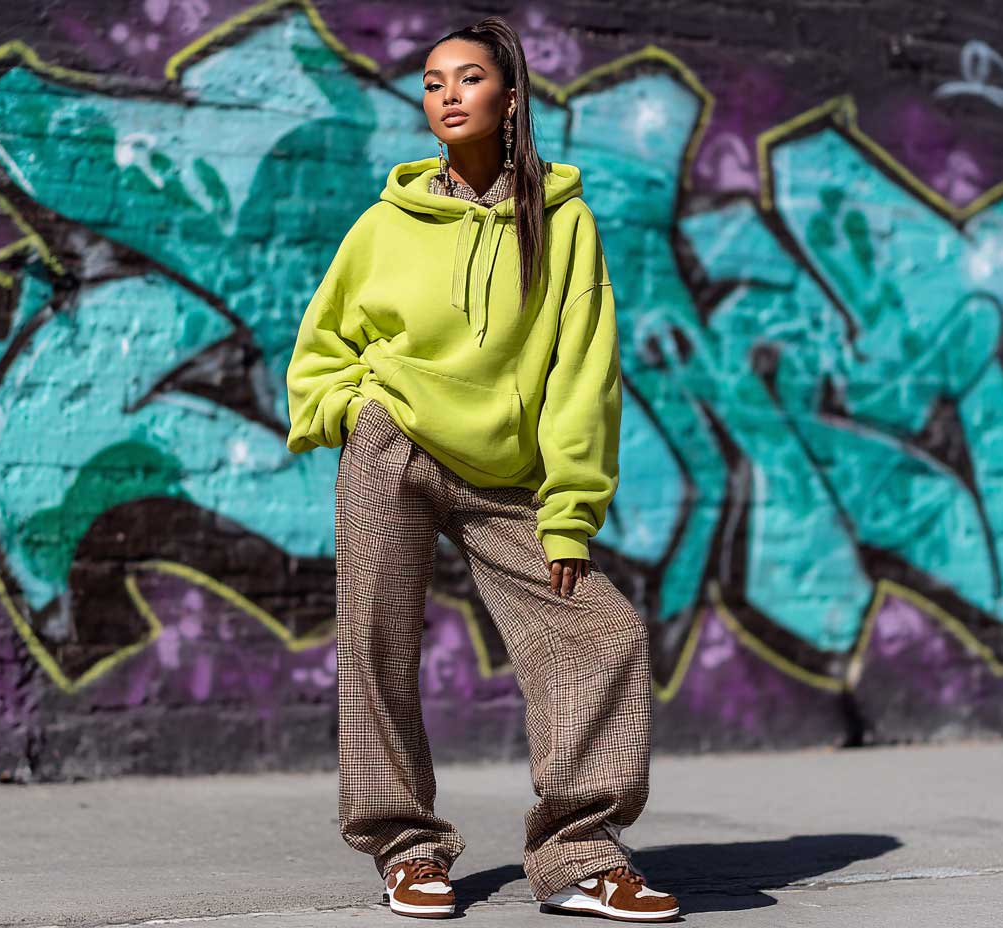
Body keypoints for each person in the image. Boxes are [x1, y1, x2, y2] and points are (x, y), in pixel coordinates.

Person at [285, 15, 679, 923]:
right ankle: (405, 849)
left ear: (509, 99)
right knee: (376, 646)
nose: (446, 95)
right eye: (431, 82)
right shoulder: (386, 222)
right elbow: (322, 342)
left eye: (467, 78)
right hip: (393, 448)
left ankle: (580, 853)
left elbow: (583, 370)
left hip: (507, 472)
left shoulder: (563, 219)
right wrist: (353, 409)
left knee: (601, 634)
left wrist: (571, 509)